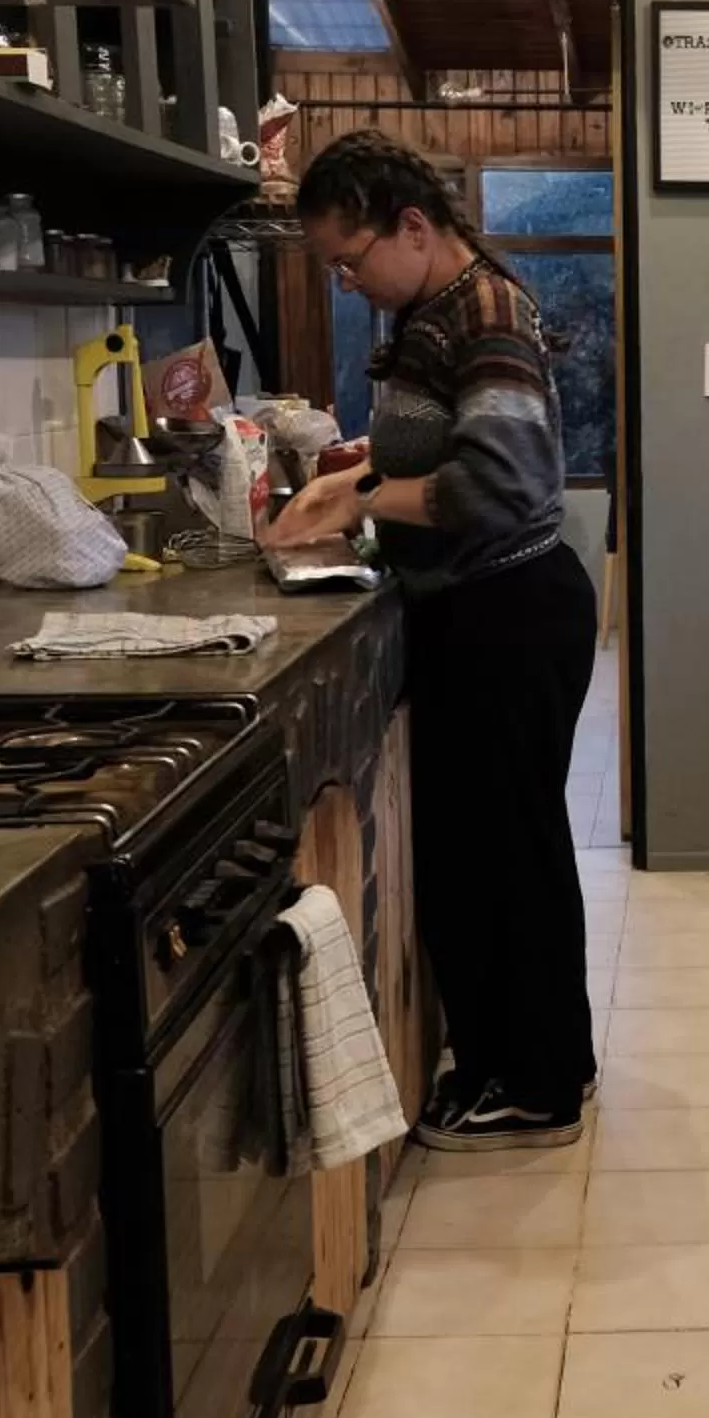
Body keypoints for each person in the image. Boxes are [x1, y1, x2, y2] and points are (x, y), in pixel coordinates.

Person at [266, 129, 598, 1147]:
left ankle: (535, 1080)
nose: (349, 280)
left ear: (411, 226)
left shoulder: (485, 309)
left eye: (349, 258)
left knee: (506, 853)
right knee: (485, 851)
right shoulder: (437, 309)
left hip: (507, 613)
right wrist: (367, 470)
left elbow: (501, 485)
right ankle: (520, 1062)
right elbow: (450, 447)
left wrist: (355, 501)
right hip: (484, 612)